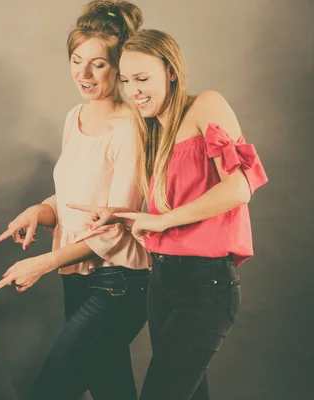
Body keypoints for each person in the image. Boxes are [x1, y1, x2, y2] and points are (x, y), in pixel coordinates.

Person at [73, 29, 268, 399]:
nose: (134, 91)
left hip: (205, 286)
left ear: (171, 72)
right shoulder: (151, 129)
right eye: (127, 81)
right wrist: (119, 215)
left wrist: (162, 221)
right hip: (163, 280)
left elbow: (239, 187)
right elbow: (171, 202)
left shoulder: (206, 105)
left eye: (143, 79)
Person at [0, 2, 150, 399]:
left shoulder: (131, 130)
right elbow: (76, 196)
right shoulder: (74, 117)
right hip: (77, 276)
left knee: (52, 388)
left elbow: (116, 223)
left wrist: (43, 263)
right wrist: (40, 210)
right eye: (76, 60)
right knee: (111, 386)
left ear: (120, 67)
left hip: (118, 281)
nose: (83, 74)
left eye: (98, 64)